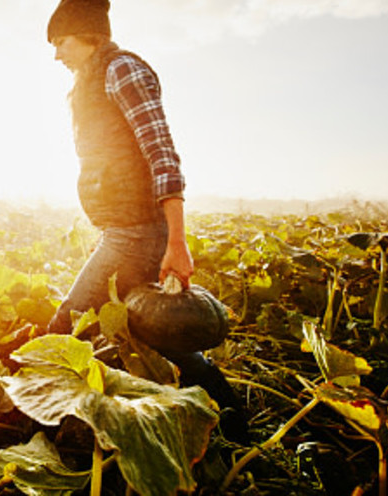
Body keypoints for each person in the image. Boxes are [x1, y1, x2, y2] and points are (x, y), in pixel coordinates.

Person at [44, 0, 249, 443]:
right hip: (122, 229)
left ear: (89, 36)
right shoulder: (88, 83)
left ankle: (49, 427)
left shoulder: (122, 71)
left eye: (61, 42)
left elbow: (162, 154)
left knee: (67, 326)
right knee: (151, 331)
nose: (56, 54)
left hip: (136, 232)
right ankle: (231, 417)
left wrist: (177, 241)